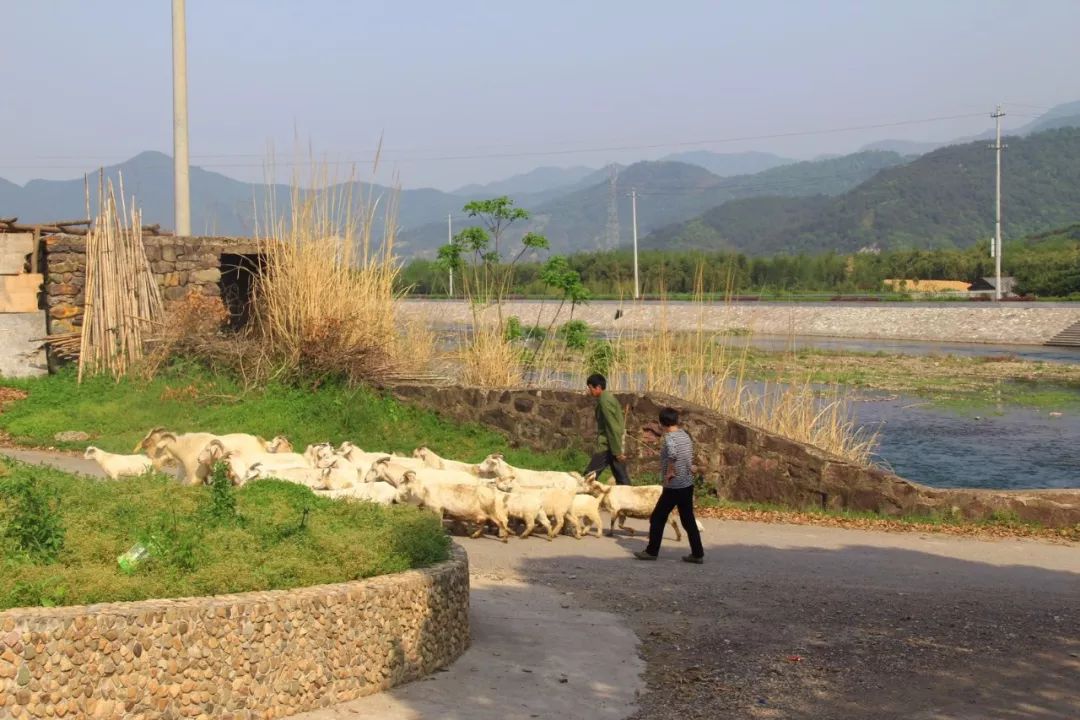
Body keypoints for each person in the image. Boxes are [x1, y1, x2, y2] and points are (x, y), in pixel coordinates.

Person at [634, 407, 705, 564]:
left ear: (662, 423)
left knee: (657, 517)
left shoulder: (669, 438)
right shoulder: (685, 435)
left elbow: (673, 454)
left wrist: (670, 471)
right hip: (687, 483)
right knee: (688, 520)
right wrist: (690, 467)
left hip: (674, 485)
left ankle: (651, 551)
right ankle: (697, 553)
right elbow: (686, 455)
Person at [583, 373, 631, 486]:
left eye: (590, 388)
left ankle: (585, 499)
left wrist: (617, 451)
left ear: (598, 387)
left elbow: (612, 425)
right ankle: (629, 499)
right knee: (621, 478)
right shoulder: (607, 398)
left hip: (608, 445)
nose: (589, 391)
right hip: (612, 444)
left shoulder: (604, 401)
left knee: (589, 476)